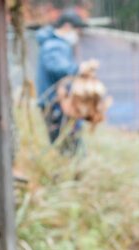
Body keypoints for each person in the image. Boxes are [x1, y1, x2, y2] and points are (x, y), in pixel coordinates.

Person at [35, 9, 89, 152]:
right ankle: (66, 171)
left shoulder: (56, 44)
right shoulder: (54, 45)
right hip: (54, 104)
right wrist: (78, 69)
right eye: (77, 30)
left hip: (59, 103)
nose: (78, 35)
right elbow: (57, 67)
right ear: (67, 26)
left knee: (68, 142)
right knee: (66, 145)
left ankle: (70, 169)